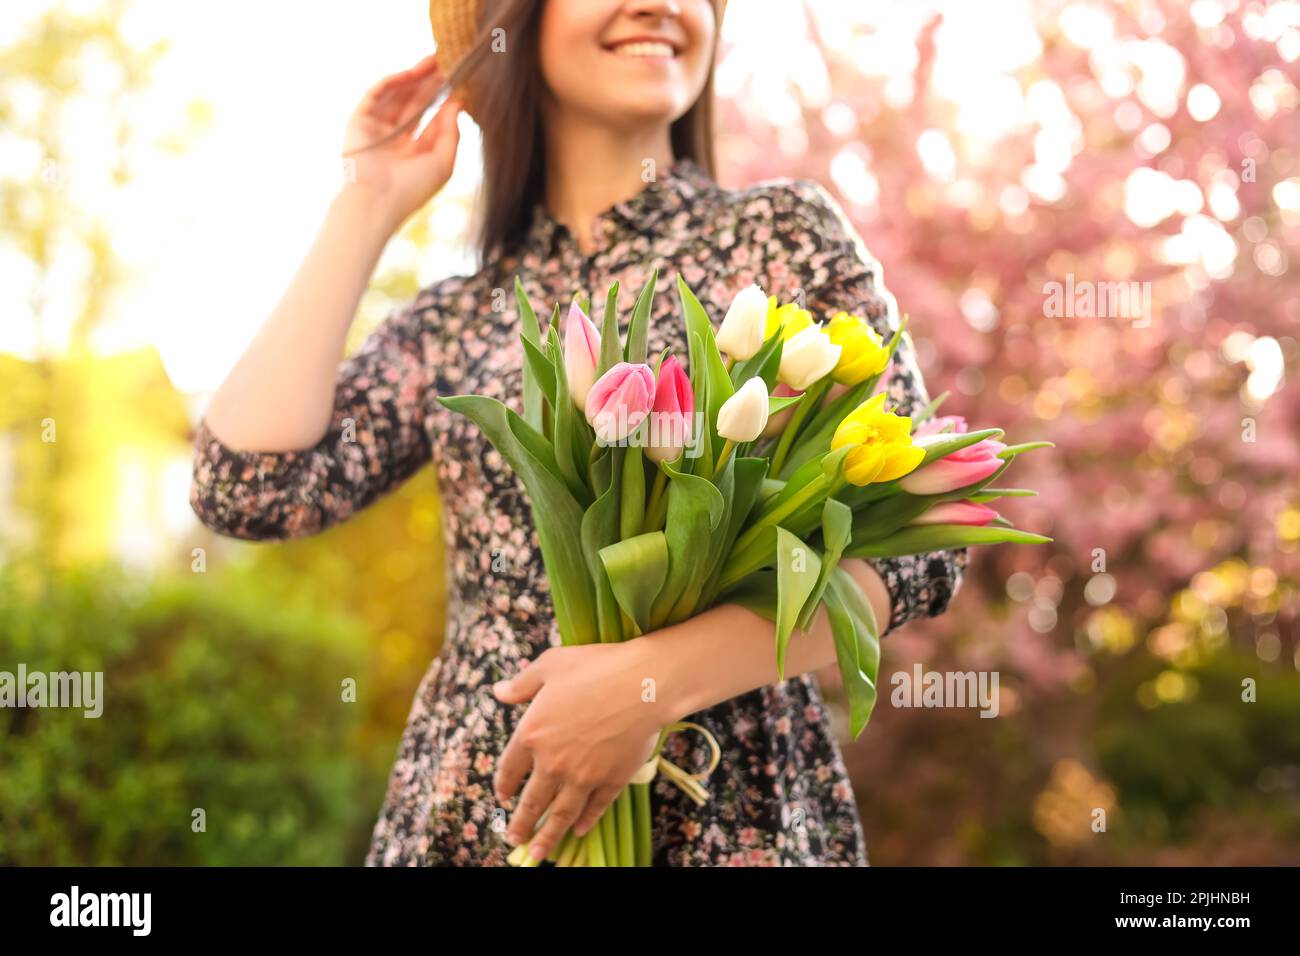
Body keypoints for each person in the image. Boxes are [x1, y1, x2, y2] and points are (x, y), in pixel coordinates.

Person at [190, 0, 965, 866]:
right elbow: (248, 488)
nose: (660, 5)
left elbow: (917, 539)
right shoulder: (459, 319)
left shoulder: (777, 238)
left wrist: (650, 687)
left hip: (726, 812)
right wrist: (366, 203)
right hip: (485, 820)